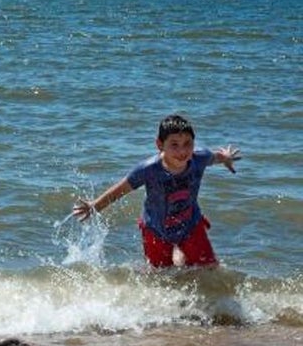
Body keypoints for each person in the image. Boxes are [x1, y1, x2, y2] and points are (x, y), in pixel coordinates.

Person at [72, 114, 241, 268]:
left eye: (187, 144)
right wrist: (95, 205)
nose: (182, 151)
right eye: (174, 145)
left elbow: (214, 157)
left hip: (191, 225)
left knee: (209, 268)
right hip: (155, 230)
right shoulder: (148, 170)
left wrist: (226, 158)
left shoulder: (199, 158)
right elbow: (120, 190)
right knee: (161, 275)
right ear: (160, 145)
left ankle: (184, 258)